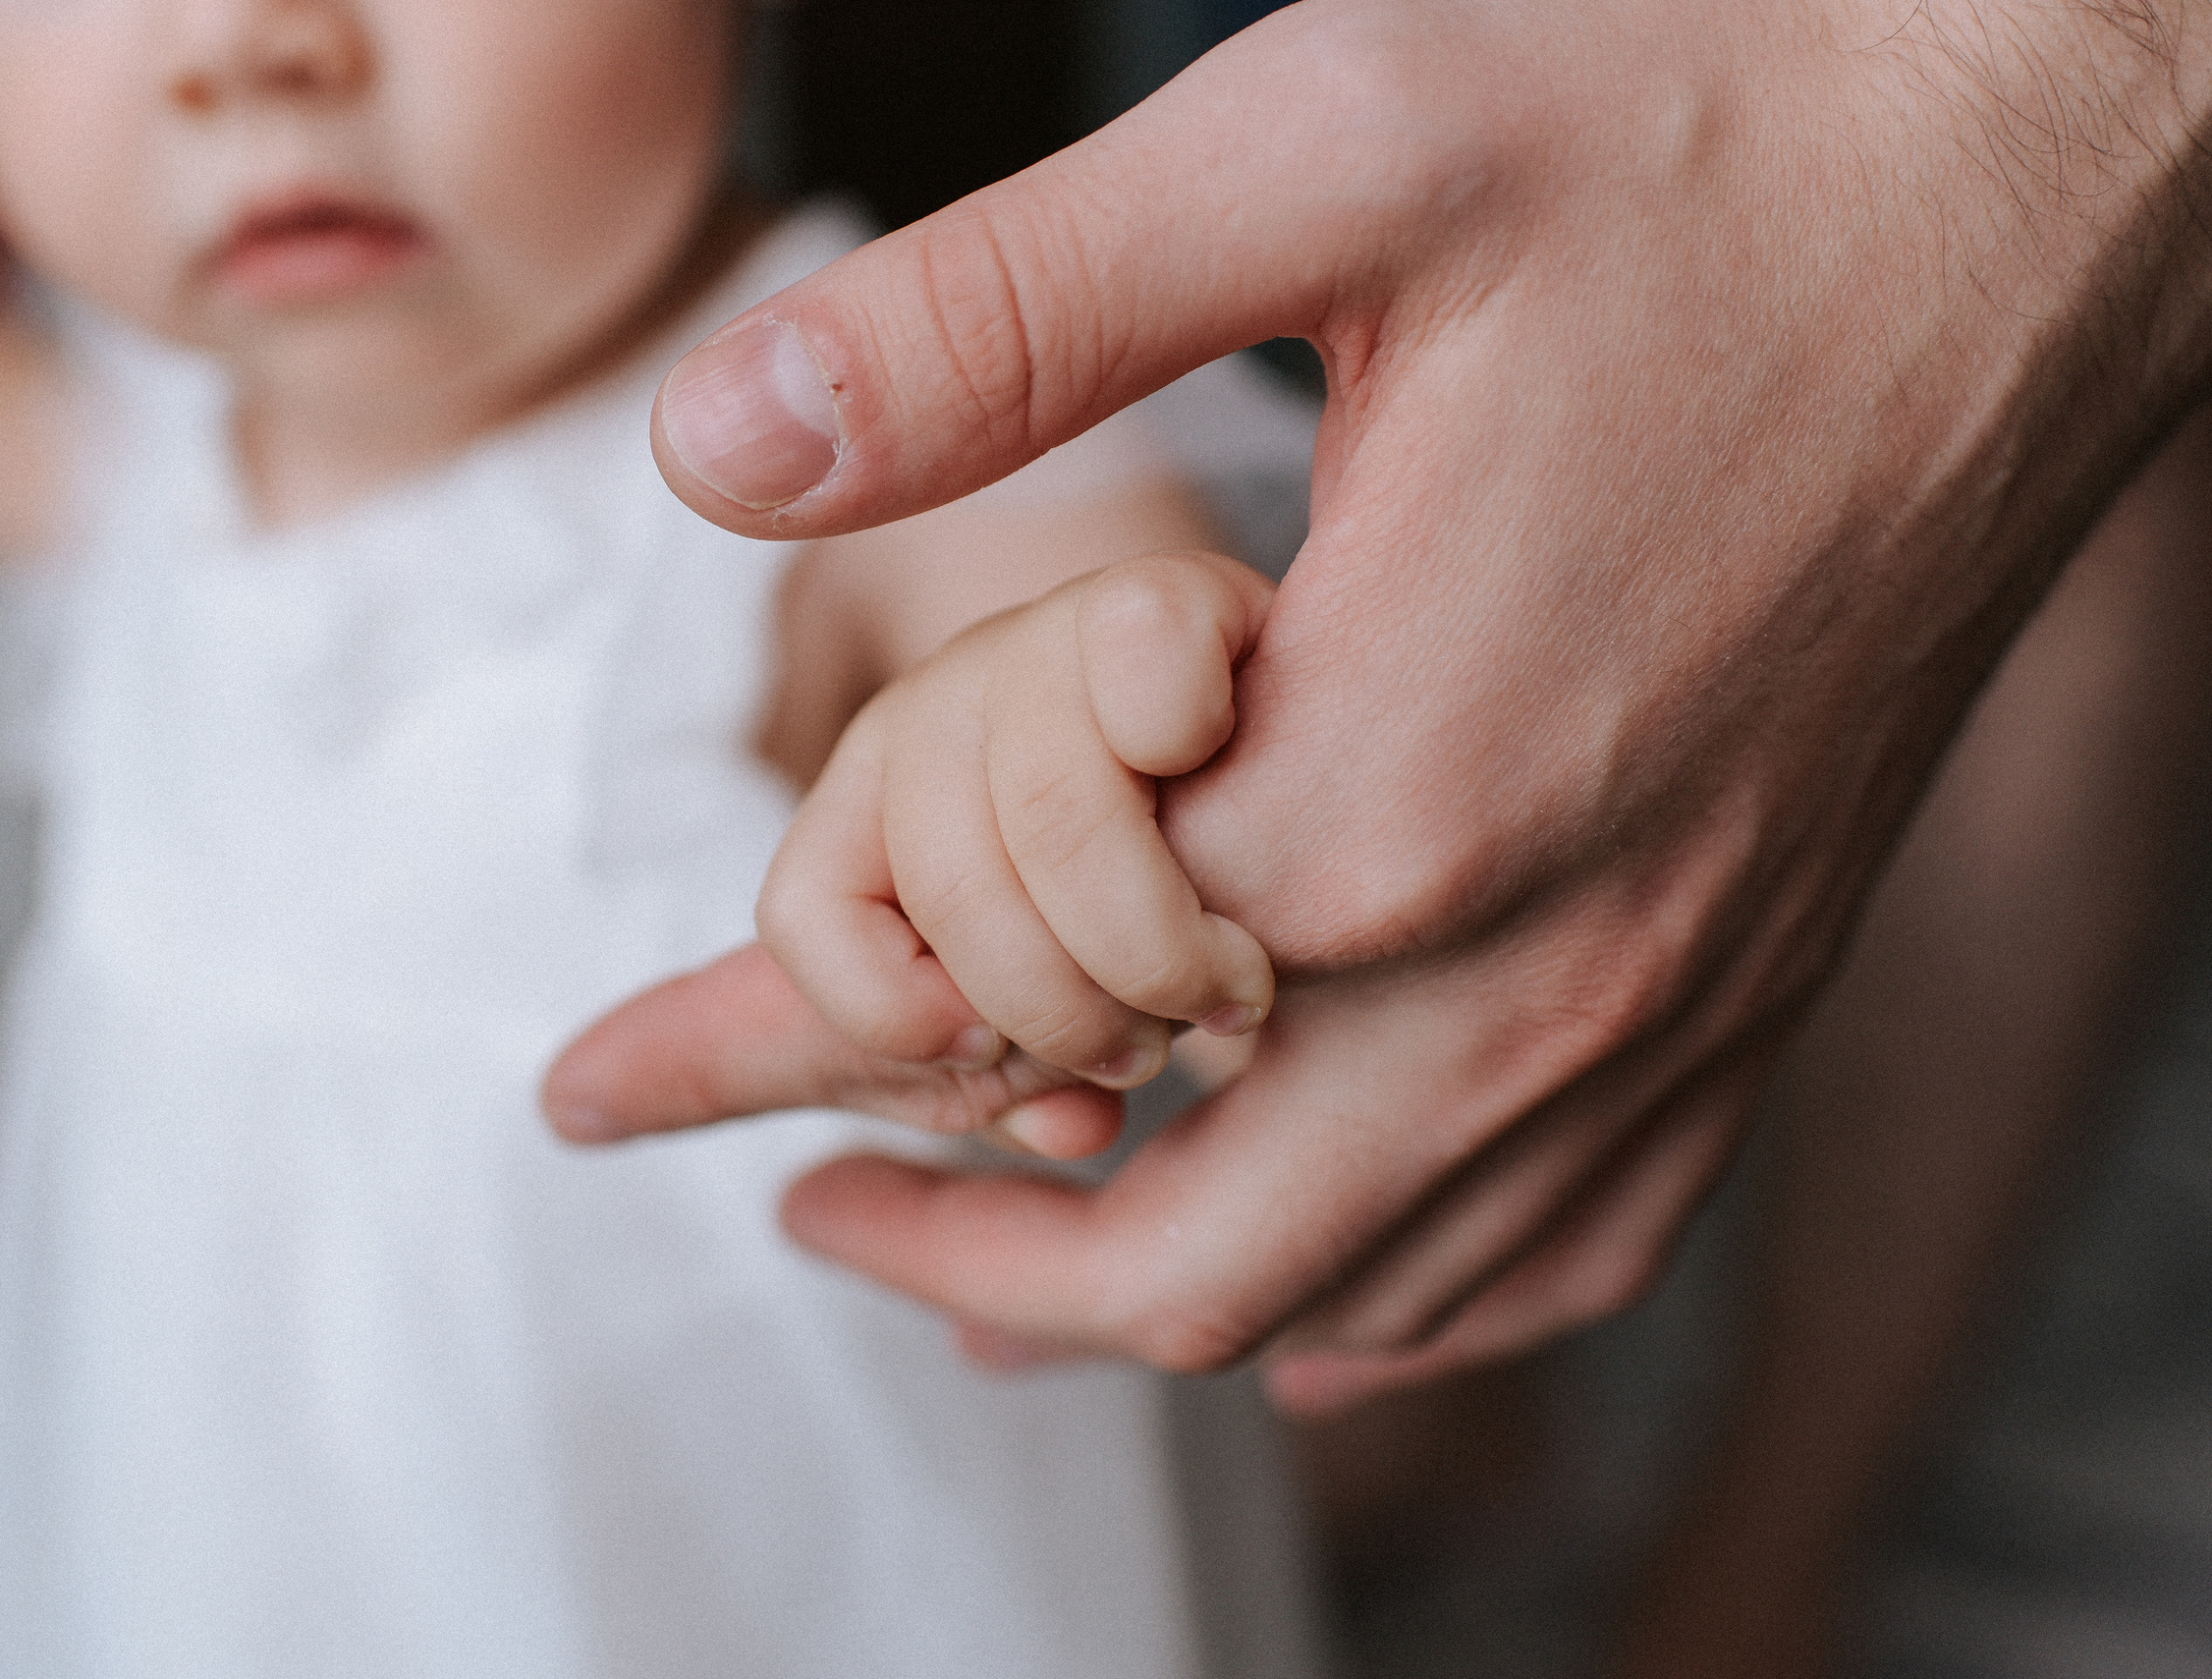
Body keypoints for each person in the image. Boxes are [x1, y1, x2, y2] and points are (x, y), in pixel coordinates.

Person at [0, 2, 1330, 1674]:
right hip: (221, 1511)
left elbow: (1155, 725)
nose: (250, 47)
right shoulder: (154, 444)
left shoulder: (884, 433)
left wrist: (1049, 734)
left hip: (733, 1560)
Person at [546, 0, 2212, 1411]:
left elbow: (1088, 618)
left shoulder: (880, 452)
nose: (284, 51)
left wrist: (1031, 739)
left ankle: (1769, 1542)